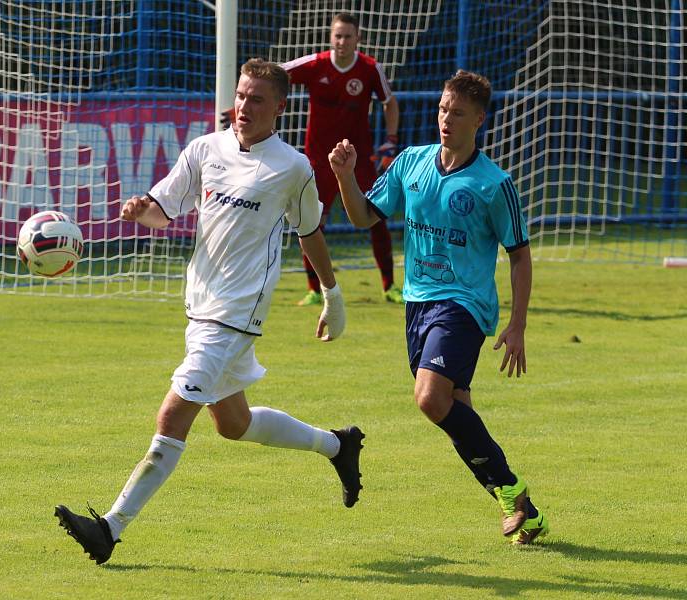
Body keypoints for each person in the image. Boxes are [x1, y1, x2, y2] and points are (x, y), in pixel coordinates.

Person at [55, 58, 365, 565]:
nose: (244, 106)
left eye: (257, 99)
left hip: (237, 314)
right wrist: (141, 212)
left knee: (174, 412)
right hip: (200, 308)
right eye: (242, 96)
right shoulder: (206, 148)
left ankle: (109, 528)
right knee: (233, 424)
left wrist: (333, 297)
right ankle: (338, 446)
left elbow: (310, 233)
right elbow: (164, 208)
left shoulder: (293, 167)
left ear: (280, 108)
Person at [328, 69, 549, 545]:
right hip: (417, 306)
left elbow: (520, 253)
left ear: (479, 120)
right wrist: (345, 177)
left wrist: (517, 324)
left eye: (458, 113)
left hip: (465, 306)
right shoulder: (412, 163)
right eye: (444, 108)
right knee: (458, 417)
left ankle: (513, 494)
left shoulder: (494, 184)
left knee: (430, 398)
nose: (446, 119)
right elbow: (365, 216)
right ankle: (522, 508)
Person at [282, 12, 403, 305]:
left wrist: (391, 139)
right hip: (318, 162)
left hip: (356, 160)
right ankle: (314, 289)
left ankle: (389, 286)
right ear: (330, 37)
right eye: (337, 35)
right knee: (311, 223)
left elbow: (390, 103)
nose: (342, 41)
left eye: (348, 36)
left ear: (357, 39)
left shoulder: (370, 69)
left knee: (377, 219)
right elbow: (273, 74)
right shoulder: (316, 65)